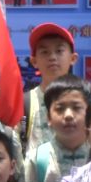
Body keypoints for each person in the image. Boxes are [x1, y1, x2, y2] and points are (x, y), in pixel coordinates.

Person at [18, 74, 91, 182]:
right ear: (49, 118)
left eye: (76, 107)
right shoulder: (38, 158)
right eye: (60, 109)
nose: (68, 115)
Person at [22, 22, 78, 152]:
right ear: (34, 61)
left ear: (73, 58)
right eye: (45, 52)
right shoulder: (25, 103)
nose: (52, 57)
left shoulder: (86, 101)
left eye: (59, 51)